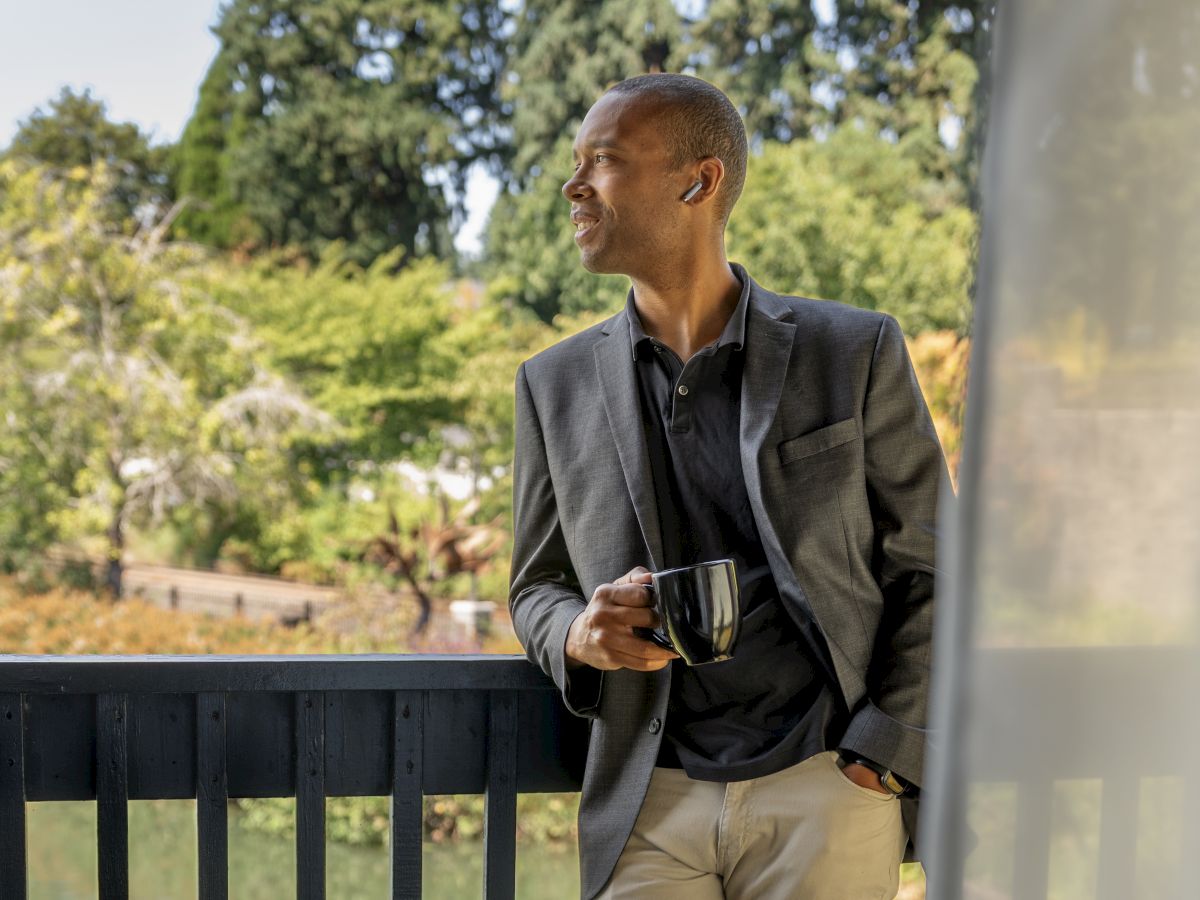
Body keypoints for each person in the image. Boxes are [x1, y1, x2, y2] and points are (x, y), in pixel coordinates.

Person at [509, 73, 949, 900]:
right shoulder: (550, 384)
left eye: (603, 160)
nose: (573, 186)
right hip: (648, 797)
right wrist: (577, 634)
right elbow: (535, 585)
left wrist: (880, 757)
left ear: (698, 182)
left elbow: (933, 570)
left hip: (827, 786)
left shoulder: (854, 352)